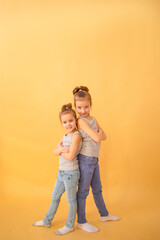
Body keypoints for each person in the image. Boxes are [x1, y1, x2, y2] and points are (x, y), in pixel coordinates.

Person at [73, 86, 120, 233]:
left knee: (98, 189)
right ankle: (81, 221)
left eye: (86, 107)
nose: (83, 110)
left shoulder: (92, 119)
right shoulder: (80, 121)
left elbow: (104, 136)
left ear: (90, 105)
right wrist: (98, 134)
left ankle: (104, 214)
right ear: (75, 107)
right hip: (85, 159)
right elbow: (96, 137)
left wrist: (98, 134)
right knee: (83, 191)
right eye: (79, 107)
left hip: (94, 160)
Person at [32, 103, 82, 235]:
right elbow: (54, 151)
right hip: (61, 172)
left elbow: (71, 156)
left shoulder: (76, 136)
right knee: (54, 197)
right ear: (62, 123)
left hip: (71, 173)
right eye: (65, 122)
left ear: (75, 120)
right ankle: (47, 220)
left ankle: (70, 225)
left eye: (71, 121)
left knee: (71, 200)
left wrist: (61, 150)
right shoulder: (65, 136)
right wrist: (61, 149)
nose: (68, 124)